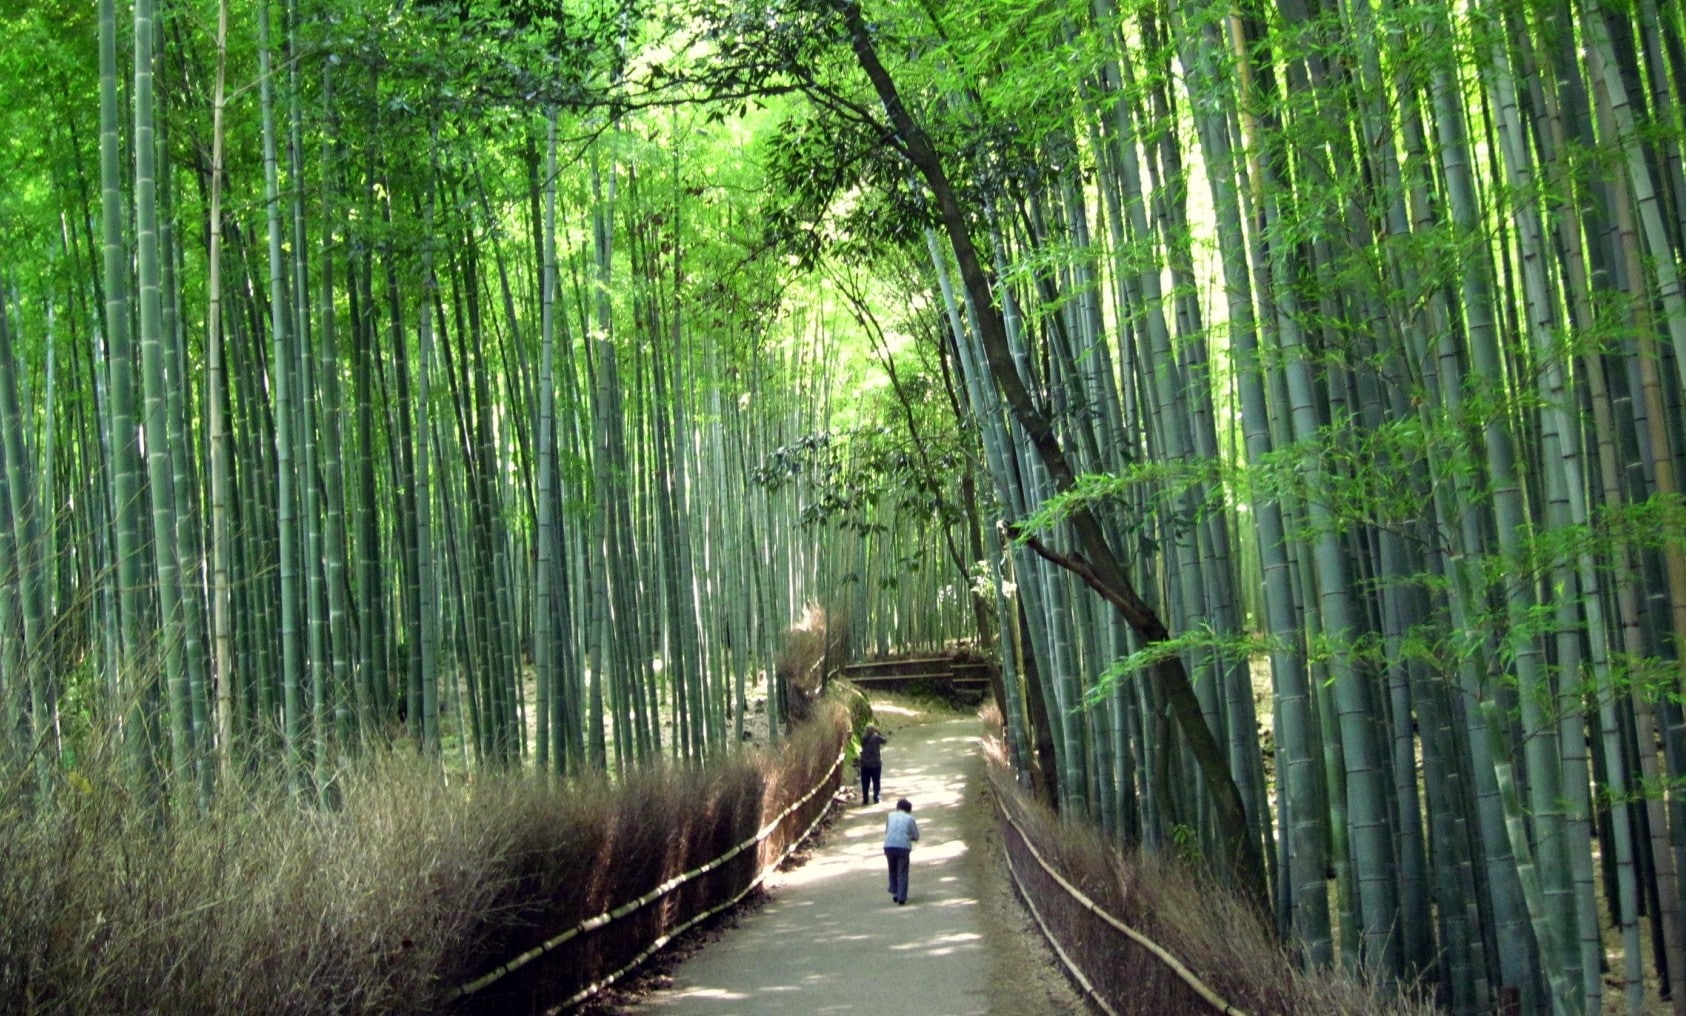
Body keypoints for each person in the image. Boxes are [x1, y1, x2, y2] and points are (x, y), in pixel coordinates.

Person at [883, 798, 919, 904]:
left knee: (892, 870)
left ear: (897, 808)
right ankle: (901, 897)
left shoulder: (890, 816)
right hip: (903, 847)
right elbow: (916, 836)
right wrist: (909, 838)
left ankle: (895, 892)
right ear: (909, 810)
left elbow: (887, 831)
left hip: (889, 846)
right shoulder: (910, 819)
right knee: (902, 872)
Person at [859, 724, 887, 805]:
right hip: (875, 763)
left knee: (865, 783)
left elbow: (862, 744)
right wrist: (879, 733)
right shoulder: (876, 737)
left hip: (865, 764)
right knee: (876, 781)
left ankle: (865, 799)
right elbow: (884, 741)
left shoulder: (863, 738)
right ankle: (876, 798)